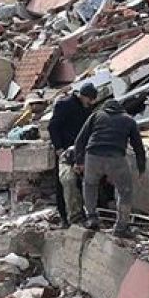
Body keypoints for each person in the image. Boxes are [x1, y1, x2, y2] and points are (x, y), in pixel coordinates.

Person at [73, 98, 146, 239]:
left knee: (89, 185)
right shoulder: (128, 120)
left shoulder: (96, 115)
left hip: (93, 155)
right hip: (116, 157)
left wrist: (79, 161)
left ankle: (92, 218)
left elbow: (79, 140)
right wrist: (141, 169)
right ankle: (121, 227)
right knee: (125, 191)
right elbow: (138, 147)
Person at [48, 83, 98, 225]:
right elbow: (53, 126)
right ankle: (65, 217)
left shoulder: (87, 109)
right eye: (90, 100)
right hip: (64, 151)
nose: (91, 103)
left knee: (82, 183)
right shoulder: (64, 105)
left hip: (81, 152)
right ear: (84, 96)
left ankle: (81, 215)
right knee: (65, 183)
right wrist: (58, 148)